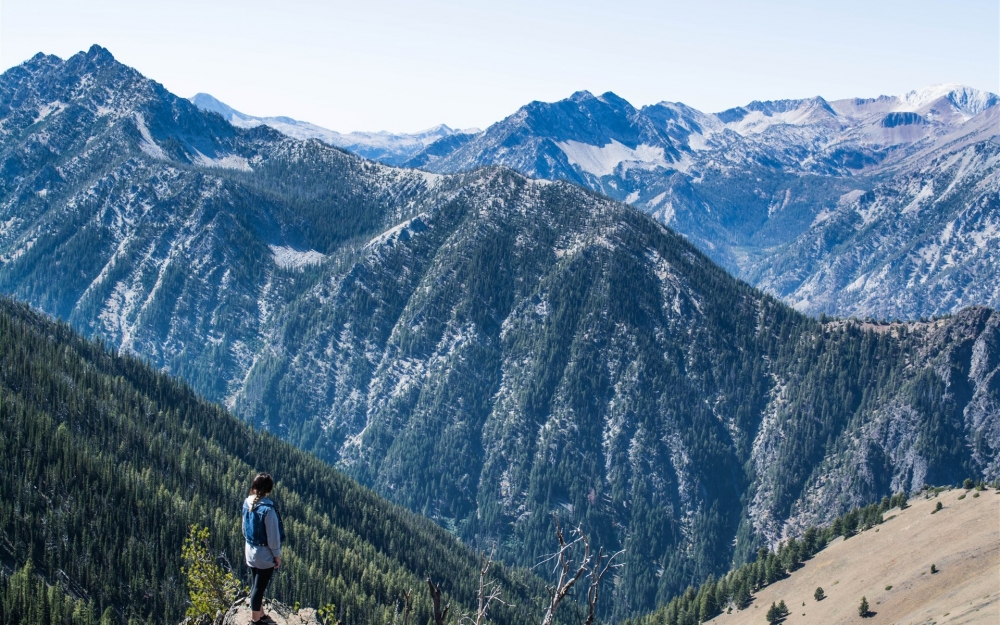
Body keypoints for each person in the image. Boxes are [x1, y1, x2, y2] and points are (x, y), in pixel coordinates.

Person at [242, 473, 285, 623]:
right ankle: (255, 621)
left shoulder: (247, 502)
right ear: (269, 489)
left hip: (250, 550)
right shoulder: (268, 510)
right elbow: (273, 537)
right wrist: (277, 555)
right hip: (263, 554)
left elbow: (244, 528)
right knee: (259, 588)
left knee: (256, 584)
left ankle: (260, 614)